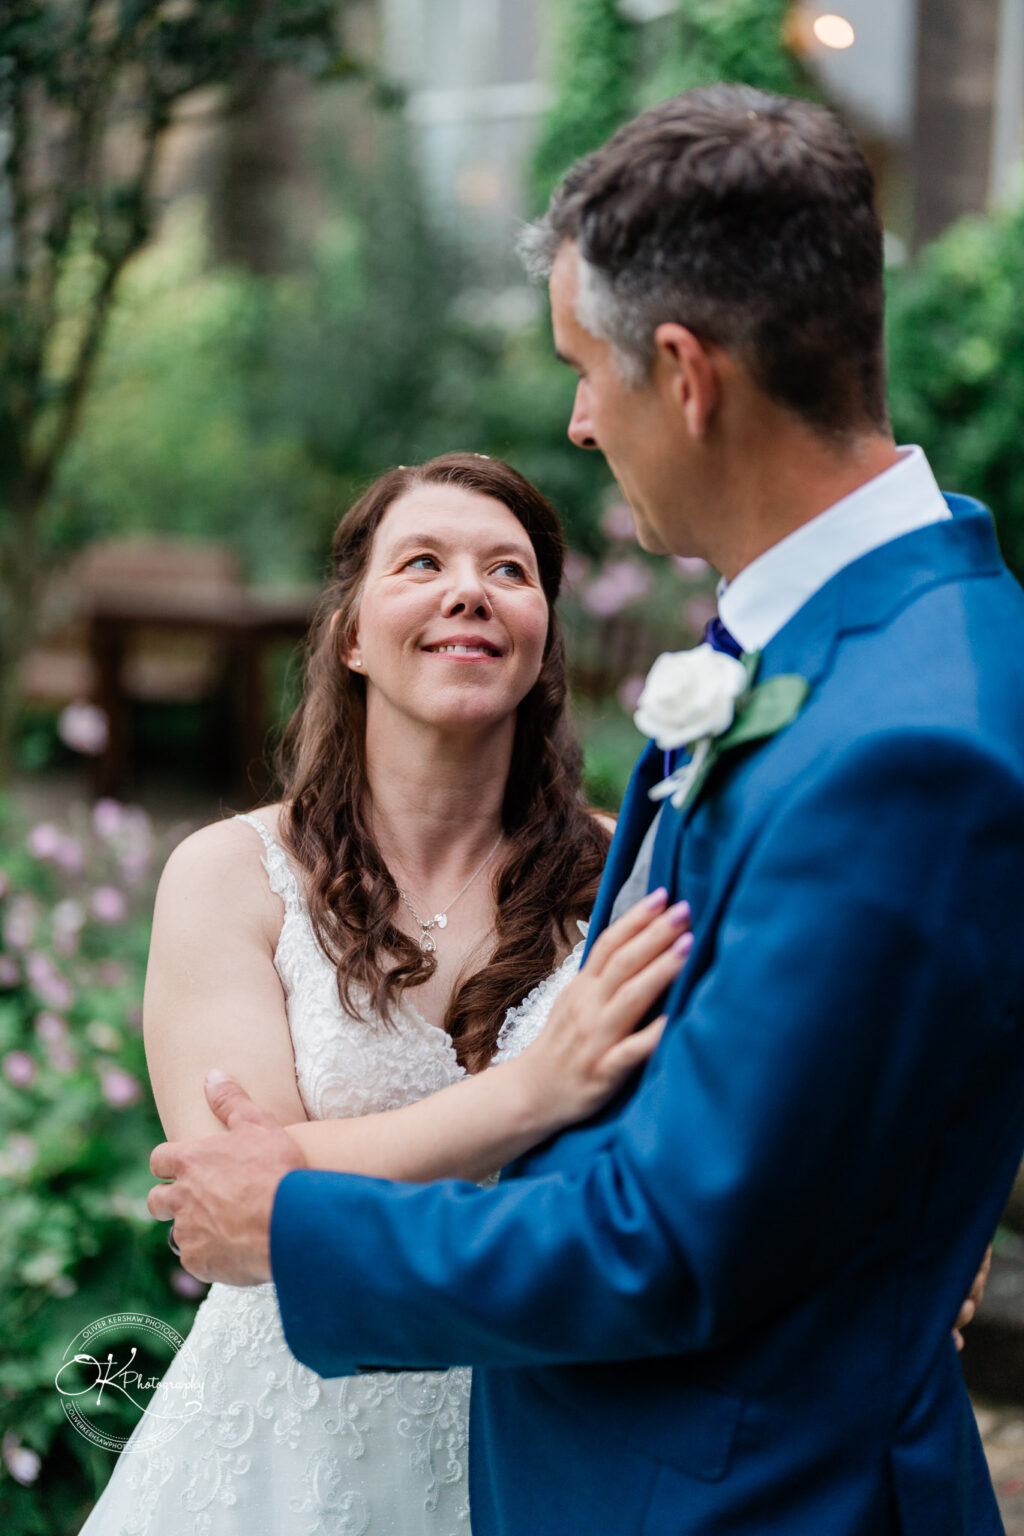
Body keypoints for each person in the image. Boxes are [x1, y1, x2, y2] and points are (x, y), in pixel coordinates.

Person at [151, 87, 1024, 1536]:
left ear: (685, 376)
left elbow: (675, 1236)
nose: (575, 417)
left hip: (742, 1496)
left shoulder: (903, 737)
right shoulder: (848, 645)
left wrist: (298, 1229)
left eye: (584, 367)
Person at [81, 452, 691, 1535]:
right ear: (352, 636)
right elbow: (236, 1203)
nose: (470, 588)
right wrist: (532, 1092)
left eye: (509, 569)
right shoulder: (230, 877)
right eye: (423, 562)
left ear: (541, 636)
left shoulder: (636, 877)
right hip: (288, 1435)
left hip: (553, 1424)